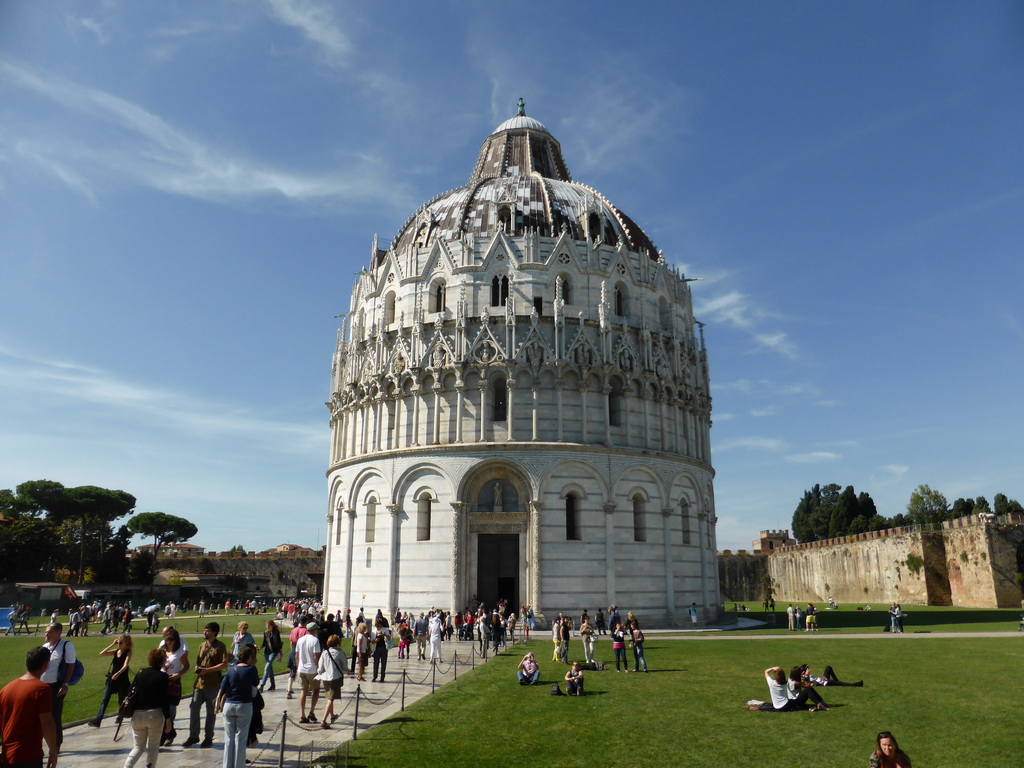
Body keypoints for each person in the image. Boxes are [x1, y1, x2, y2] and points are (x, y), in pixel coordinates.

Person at [0, 646, 57, 768]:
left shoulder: (6, 689)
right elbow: (47, 723)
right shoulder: (42, 689)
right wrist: (53, 751)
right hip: (29, 755)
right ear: (45, 665)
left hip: (7, 755)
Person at [123, 648, 171, 768]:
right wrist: (168, 719)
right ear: (162, 661)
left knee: (138, 747)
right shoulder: (163, 677)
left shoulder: (141, 672)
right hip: (155, 714)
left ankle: (127, 766)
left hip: (137, 715)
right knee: (153, 747)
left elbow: (130, 691)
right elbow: (164, 700)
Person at [183, 622, 229, 748]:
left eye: (207, 631)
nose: (205, 632)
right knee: (194, 708)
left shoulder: (220, 646)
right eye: (205, 630)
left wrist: (207, 670)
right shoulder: (202, 645)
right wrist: (198, 669)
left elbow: (225, 664)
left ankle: (208, 737)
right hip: (199, 683)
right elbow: (199, 662)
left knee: (210, 712)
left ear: (214, 632)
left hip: (213, 684)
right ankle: (193, 736)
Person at [219, 644, 259, 768]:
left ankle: (227, 765)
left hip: (229, 705)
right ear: (250, 657)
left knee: (229, 738)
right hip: (244, 705)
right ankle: (238, 765)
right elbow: (256, 682)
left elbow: (223, 687)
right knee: (241, 739)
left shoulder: (231, 669)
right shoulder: (251, 669)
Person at [40, 622, 75, 752]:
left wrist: (65, 684)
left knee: (55, 715)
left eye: (50, 632)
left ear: (58, 633)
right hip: (43, 685)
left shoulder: (66, 645)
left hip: (57, 685)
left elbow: (71, 665)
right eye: (46, 631)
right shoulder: (45, 646)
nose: (46, 634)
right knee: (42, 715)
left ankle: (56, 744)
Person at [89, 634, 133, 727]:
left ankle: (120, 716)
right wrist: (112, 644)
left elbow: (125, 665)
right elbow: (102, 653)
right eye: (118, 642)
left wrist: (118, 673)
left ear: (126, 643)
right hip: (112, 679)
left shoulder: (128, 652)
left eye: (121, 643)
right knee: (105, 699)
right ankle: (98, 720)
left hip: (122, 679)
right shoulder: (116, 651)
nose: (119, 644)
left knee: (121, 700)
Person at [159, 627, 189, 745]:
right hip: (162, 682)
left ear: (176, 640)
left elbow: (186, 666)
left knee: (170, 709)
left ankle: (169, 734)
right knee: (161, 709)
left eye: (171, 639)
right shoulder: (162, 651)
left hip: (173, 683)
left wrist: (179, 674)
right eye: (166, 639)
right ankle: (166, 733)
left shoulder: (180, 653)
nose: (168, 642)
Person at [763, 666, 829, 711]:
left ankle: (820, 704)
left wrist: (772, 668)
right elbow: (808, 685)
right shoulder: (785, 683)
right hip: (787, 703)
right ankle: (820, 704)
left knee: (807, 692)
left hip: (777, 706)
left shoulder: (772, 683)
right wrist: (807, 676)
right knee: (808, 690)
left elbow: (766, 672)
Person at [316, 635, 345, 729]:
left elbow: (320, 668)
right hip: (335, 677)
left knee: (329, 696)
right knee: (331, 699)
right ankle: (324, 720)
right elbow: (344, 665)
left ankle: (332, 715)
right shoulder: (339, 652)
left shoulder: (325, 653)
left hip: (325, 678)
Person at [296, 622, 322, 723]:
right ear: (314, 630)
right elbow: (316, 656)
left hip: (301, 669)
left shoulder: (300, 640)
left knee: (303, 691)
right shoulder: (315, 640)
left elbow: (297, 655)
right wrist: (319, 667)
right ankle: (311, 711)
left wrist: (298, 666)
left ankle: (302, 714)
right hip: (312, 669)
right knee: (316, 690)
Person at [259, 620, 282, 693]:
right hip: (267, 652)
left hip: (273, 652)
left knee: (267, 667)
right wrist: (259, 648)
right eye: (266, 625)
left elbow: (278, 643)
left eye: (269, 625)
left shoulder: (276, 632)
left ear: (272, 625)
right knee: (270, 669)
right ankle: (273, 684)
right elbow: (264, 643)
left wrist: (280, 654)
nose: (267, 627)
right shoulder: (266, 633)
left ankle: (262, 685)